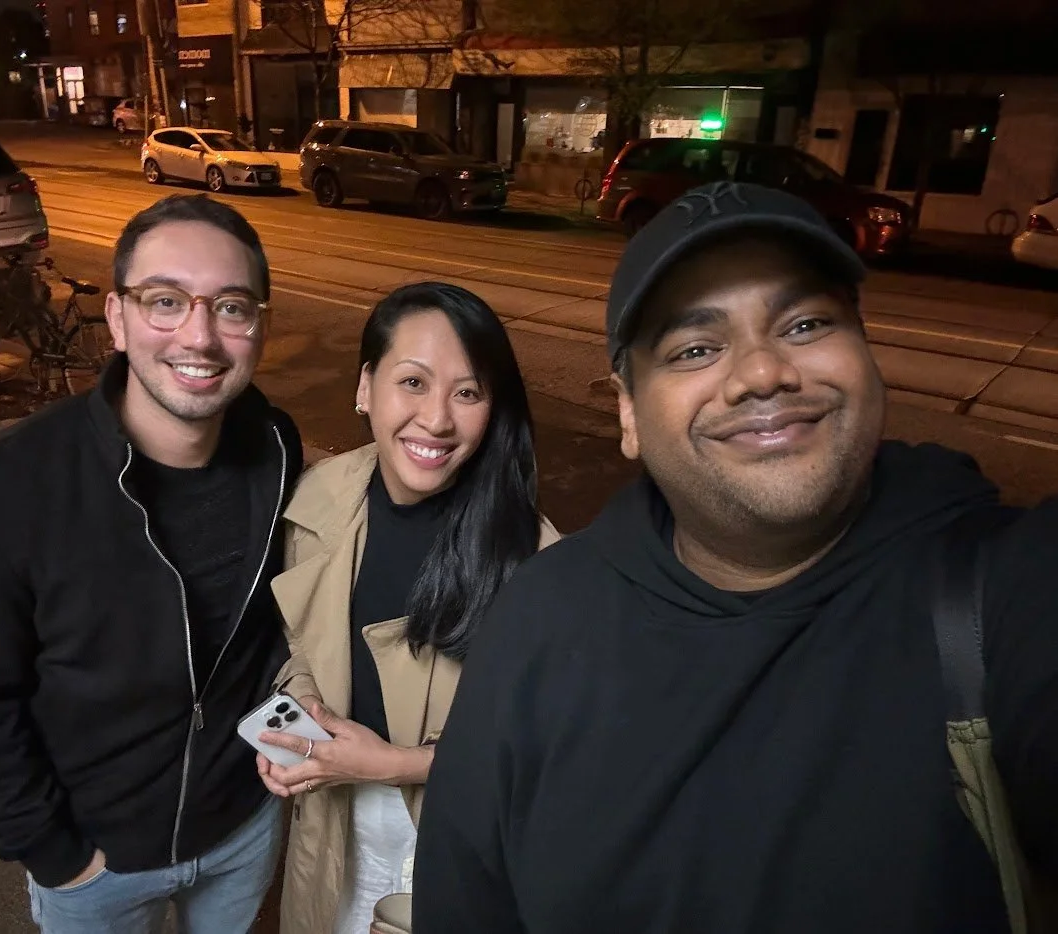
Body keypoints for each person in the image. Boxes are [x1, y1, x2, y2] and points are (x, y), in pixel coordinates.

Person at [413, 182, 1058, 933]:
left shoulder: (1004, 592)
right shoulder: (540, 615)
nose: (761, 374)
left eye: (806, 322)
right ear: (627, 411)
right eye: (695, 347)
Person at [0, 194, 303, 934]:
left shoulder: (275, 445)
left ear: (258, 328)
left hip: (240, 830)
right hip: (95, 861)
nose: (200, 336)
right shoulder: (4, 486)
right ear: (118, 319)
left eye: (230, 306)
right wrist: (55, 852)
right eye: (165, 301)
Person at [253, 282, 561, 934]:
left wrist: (393, 764)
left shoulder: (537, 558)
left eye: (468, 392)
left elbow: (549, 750)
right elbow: (298, 644)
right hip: (338, 817)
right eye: (413, 382)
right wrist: (301, 721)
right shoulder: (318, 501)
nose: (438, 418)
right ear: (366, 387)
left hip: (462, 831)